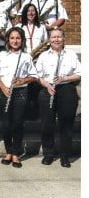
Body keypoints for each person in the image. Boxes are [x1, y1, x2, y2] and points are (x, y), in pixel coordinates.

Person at [36, 28, 81, 168]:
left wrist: (65, 78)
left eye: (59, 37)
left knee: (66, 124)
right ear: (49, 40)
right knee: (47, 124)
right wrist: (47, 85)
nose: (56, 39)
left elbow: (80, 74)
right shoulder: (43, 56)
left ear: (64, 38)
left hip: (66, 89)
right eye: (53, 37)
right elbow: (38, 76)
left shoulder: (71, 54)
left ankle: (64, 156)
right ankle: (48, 154)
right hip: (47, 89)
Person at [0, 27, 38, 168]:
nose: (15, 40)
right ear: (8, 40)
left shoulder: (26, 56)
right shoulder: (1, 55)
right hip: (4, 92)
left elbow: (34, 76)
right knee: (6, 125)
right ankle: (8, 151)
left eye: (18, 38)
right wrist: (4, 88)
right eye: (12, 38)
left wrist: (22, 81)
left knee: (17, 124)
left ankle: (15, 153)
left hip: (20, 94)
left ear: (22, 40)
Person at [16, 3, 48, 119]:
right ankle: (25, 113)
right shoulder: (20, 26)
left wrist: (38, 54)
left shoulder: (41, 27)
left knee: (37, 86)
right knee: (25, 85)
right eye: (28, 11)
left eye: (33, 11)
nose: (31, 13)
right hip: (24, 59)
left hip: (37, 59)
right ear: (24, 13)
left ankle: (36, 112)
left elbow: (46, 43)